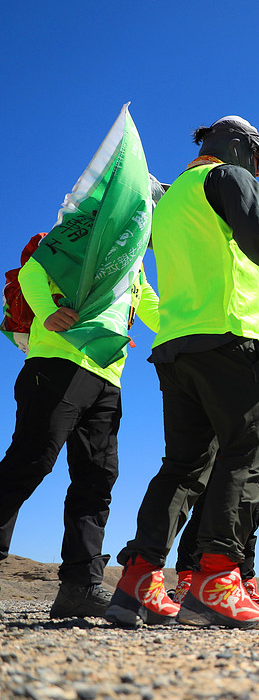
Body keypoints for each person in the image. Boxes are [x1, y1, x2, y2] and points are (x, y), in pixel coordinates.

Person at [106, 116, 259, 630]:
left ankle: (137, 581)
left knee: (182, 467)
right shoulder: (228, 178)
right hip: (228, 343)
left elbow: (205, 264)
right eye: (257, 158)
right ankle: (216, 581)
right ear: (237, 145)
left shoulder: (166, 202)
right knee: (246, 453)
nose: (257, 169)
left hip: (176, 347)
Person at [0, 255, 158, 619]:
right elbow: (33, 270)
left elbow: (148, 302)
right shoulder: (87, 225)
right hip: (57, 359)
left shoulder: (134, 258)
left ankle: (81, 586)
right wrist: (45, 310)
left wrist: (189, 331)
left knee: (97, 477)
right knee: (31, 461)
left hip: (107, 376)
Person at [170, 318, 259, 609]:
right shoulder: (230, 364)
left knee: (249, 517)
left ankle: (243, 580)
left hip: (252, 458)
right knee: (203, 512)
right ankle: (187, 580)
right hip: (218, 450)